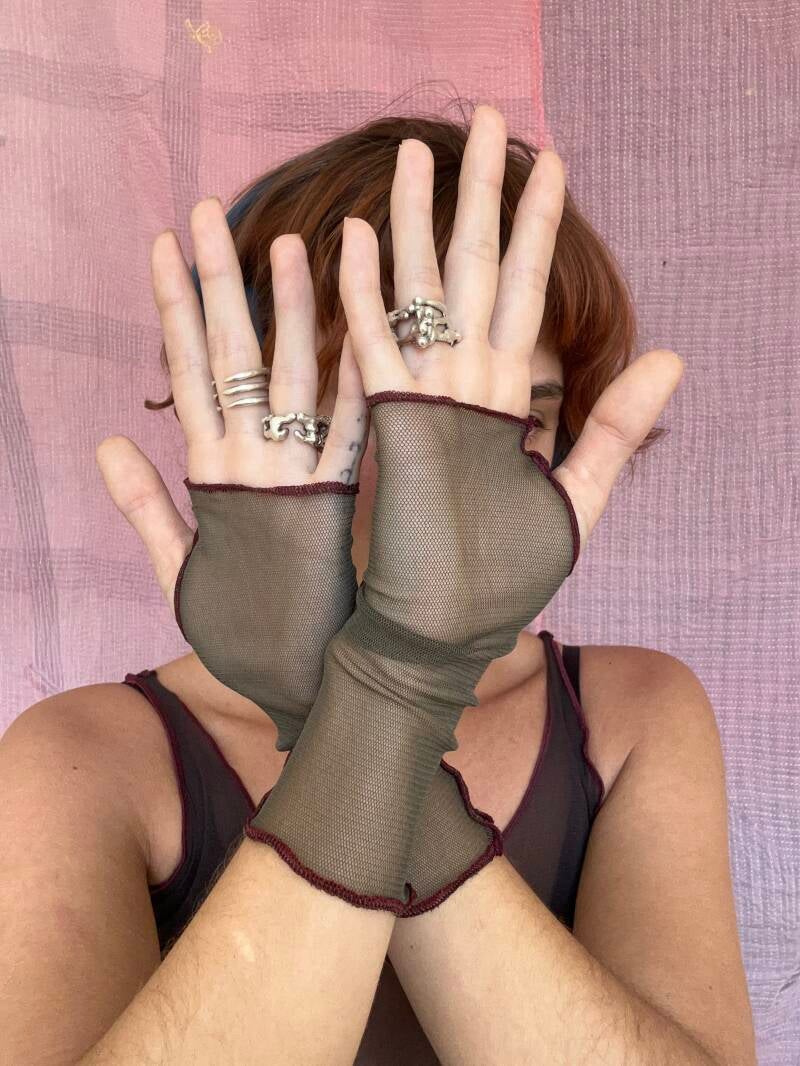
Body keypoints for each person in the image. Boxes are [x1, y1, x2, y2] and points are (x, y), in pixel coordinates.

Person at [0, 104, 756, 1065]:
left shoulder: (633, 710)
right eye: (377, 419)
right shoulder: (80, 756)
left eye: (508, 424)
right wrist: (398, 681)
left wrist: (384, 683)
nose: (429, 496)